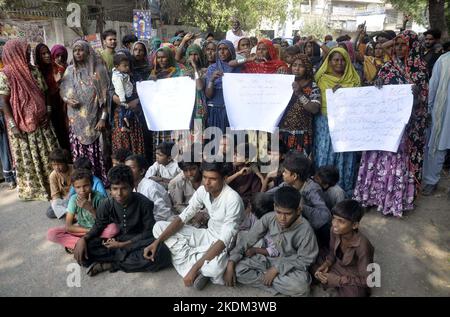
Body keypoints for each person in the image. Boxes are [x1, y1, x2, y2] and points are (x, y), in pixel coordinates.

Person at [354, 30, 429, 217]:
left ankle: (392, 201)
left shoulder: (420, 69)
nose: (399, 48)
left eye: (403, 44)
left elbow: (423, 102)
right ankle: (371, 197)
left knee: (396, 161)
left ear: (412, 46)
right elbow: (377, 94)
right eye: (396, 44)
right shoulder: (387, 67)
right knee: (376, 159)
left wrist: (416, 95)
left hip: (405, 127)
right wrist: (377, 83)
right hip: (383, 126)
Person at [145, 162, 244, 290]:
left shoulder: (232, 199)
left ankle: (192, 262)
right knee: (158, 227)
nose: (207, 182)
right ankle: (196, 262)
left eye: (213, 179)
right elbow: (183, 218)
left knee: (215, 269)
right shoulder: (203, 190)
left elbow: (225, 240)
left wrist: (194, 269)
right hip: (206, 234)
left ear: (224, 179)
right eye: (205, 177)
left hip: (224, 244)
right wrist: (157, 242)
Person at [73, 165, 172, 276]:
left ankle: (111, 264)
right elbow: (98, 225)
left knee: (162, 253)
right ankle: (122, 259)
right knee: (86, 249)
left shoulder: (144, 203)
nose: (119, 194)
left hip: (139, 242)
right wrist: (83, 239)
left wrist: (123, 245)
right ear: (110, 189)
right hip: (117, 239)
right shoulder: (106, 204)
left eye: (124, 188)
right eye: (115, 189)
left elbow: (149, 232)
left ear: (132, 186)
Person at [225, 186, 318, 297]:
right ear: (274, 207)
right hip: (269, 260)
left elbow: (305, 260)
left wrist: (277, 269)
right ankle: (274, 283)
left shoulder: (306, 230)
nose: (282, 218)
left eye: (288, 214)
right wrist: (231, 262)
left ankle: (269, 280)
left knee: (301, 287)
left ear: (298, 210)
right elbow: (247, 240)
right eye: (278, 212)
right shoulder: (269, 218)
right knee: (237, 270)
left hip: (290, 267)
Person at [0, 39, 59, 200]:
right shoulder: (6, 74)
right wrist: (12, 125)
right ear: (15, 52)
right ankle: (36, 190)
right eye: (24, 51)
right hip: (21, 125)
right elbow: (3, 101)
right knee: (30, 158)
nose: (27, 53)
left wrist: (47, 111)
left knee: (49, 155)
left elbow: (45, 92)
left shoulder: (34, 71)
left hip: (42, 122)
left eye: (27, 51)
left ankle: (54, 185)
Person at [59, 40, 110, 184]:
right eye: (75, 51)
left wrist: (103, 118)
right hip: (76, 119)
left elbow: (105, 97)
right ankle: (82, 181)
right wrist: (67, 100)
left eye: (81, 50)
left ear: (88, 51)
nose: (78, 53)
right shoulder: (69, 71)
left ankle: (99, 180)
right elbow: (63, 91)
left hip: (94, 118)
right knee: (79, 151)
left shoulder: (97, 70)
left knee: (97, 150)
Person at [314, 47, 361, 195]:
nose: (339, 63)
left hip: (346, 123)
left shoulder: (354, 80)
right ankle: (321, 189)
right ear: (329, 62)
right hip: (324, 122)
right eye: (335, 60)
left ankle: (343, 189)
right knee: (325, 152)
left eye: (343, 60)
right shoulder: (321, 79)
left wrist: (345, 93)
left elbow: (360, 102)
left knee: (344, 154)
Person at [267, 152, 331, 248]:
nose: (283, 174)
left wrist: (300, 207)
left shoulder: (312, 189)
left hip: (312, 230)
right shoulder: (287, 184)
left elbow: (325, 215)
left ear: (294, 176)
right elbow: (269, 194)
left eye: (285, 172)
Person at [314, 200, 374, 297]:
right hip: (337, 265)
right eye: (334, 218)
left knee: (355, 294)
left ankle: (334, 286)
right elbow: (332, 253)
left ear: (354, 225)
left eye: (341, 221)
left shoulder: (363, 245)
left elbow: (368, 280)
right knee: (315, 265)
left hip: (353, 274)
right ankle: (332, 285)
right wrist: (326, 264)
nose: (334, 224)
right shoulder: (334, 231)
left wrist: (338, 280)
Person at [47, 168, 116, 253]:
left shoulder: (99, 198)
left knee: (113, 229)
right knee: (52, 234)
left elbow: (104, 222)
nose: (82, 190)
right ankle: (88, 244)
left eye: (86, 185)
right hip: (82, 229)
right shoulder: (73, 199)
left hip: (99, 229)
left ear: (92, 184)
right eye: (78, 187)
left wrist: (90, 208)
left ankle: (79, 245)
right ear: (74, 187)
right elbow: (69, 226)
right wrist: (90, 232)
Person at [279, 53, 321, 156]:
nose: (297, 69)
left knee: (298, 166)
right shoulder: (284, 82)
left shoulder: (312, 86)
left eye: (301, 66)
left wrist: (299, 93)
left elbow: (314, 109)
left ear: (307, 68)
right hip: (282, 132)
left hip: (301, 134)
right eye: (294, 65)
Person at [421, 52, 450, 196]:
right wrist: (429, 109)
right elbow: (433, 86)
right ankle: (431, 181)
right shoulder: (444, 60)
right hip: (443, 113)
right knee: (436, 147)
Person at [35, 43, 70, 151]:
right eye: (43, 54)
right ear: (38, 56)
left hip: (61, 105)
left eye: (48, 53)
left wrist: (59, 83)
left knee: (64, 130)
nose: (47, 56)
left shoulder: (56, 68)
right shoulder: (36, 71)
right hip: (47, 107)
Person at [205, 40, 241, 133]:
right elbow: (208, 95)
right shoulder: (212, 68)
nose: (222, 52)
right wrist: (212, 80)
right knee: (216, 143)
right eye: (219, 49)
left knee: (231, 142)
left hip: (232, 111)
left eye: (225, 49)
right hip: (215, 110)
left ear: (231, 51)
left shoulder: (239, 69)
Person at [125, 154, 174, 222]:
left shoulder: (150, 187)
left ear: (142, 171)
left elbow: (163, 214)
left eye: (131, 168)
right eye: (126, 168)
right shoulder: (133, 188)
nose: (127, 171)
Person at [46, 148, 73, 219]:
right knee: (49, 212)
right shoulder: (53, 175)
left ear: (65, 162)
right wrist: (56, 202)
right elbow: (56, 195)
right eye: (54, 165)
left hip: (75, 197)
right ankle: (71, 215)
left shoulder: (74, 170)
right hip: (64, 200)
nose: (56, 167)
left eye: (59, 164)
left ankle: (70, 215)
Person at [112, 54, 134, 132]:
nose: (127, 67)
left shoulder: (121, 74)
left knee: (123, 110)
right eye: (125, 66)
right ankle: (126, 119)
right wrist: (122, 99)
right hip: (124, 97)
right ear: (117, 66)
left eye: (128, 65)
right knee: (128, 109)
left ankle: (123, 125)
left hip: (125, 95)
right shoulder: (118, 77)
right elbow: (119, 88)